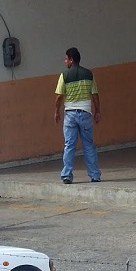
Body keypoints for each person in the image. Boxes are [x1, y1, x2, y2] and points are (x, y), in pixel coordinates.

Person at [54, 47, 101, 184]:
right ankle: (94, 175)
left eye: (66, 59)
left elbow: (58, 97)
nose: (65, 61)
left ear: (71, 60)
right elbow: (95, 96)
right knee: (88, 145)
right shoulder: (89, 74)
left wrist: (56, 111)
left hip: (70, 115)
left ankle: (67, 175)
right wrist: (97, 111)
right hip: (86, 114)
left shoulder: (64, 75)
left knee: (69, 145)